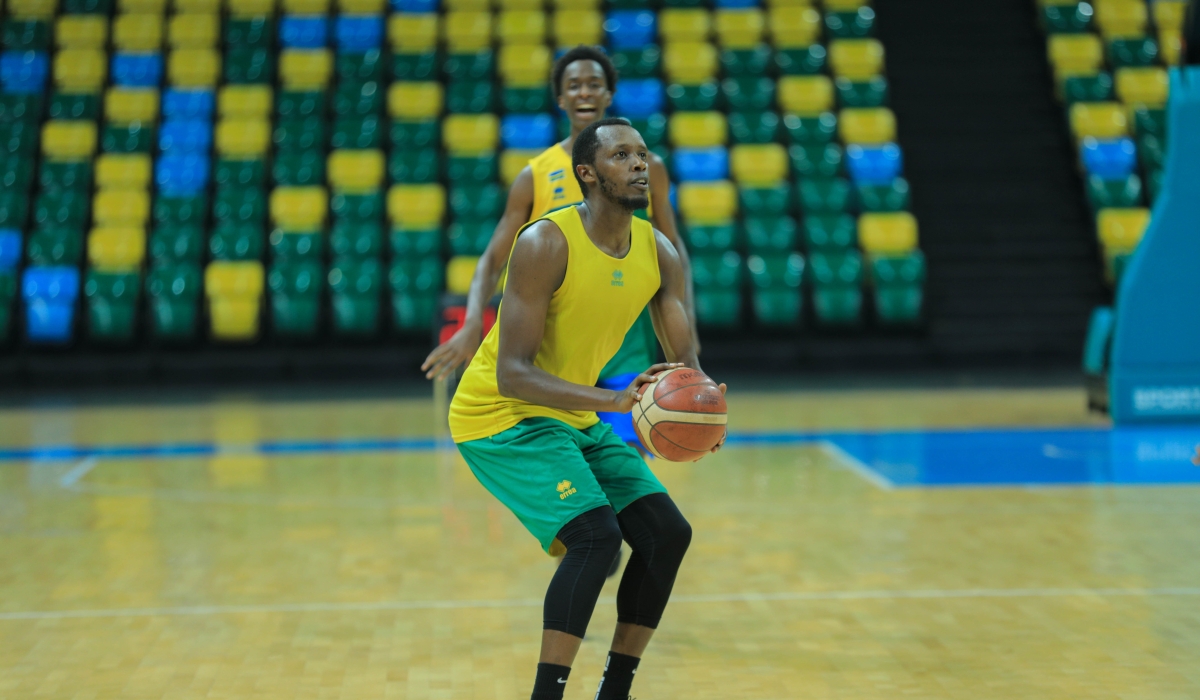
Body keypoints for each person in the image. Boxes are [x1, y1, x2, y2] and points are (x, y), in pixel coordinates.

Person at [449, 118, 724, 700]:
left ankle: (614, 690)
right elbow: (513, 374)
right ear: (587, 173)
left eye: (643, 154)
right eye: (622, 155)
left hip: (574, 414)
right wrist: (614, 400)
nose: (640, 164)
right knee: (596, 538)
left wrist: (703, 413)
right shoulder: (545, 242)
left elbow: (686, 360)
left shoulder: (660, 251)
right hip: (500, 416)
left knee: (667, 535)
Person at [423, 45, 698, 454]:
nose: (584, 93)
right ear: (561, 99)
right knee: (566, 464)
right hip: (557, 346)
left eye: (594, 85)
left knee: (625, 461)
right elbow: (494, 257)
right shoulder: (536, 174)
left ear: (609, 94)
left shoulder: (647, 167)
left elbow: (672, 248)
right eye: (574, 86)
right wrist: (470, 325)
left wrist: (688, 333)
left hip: (623, 339)